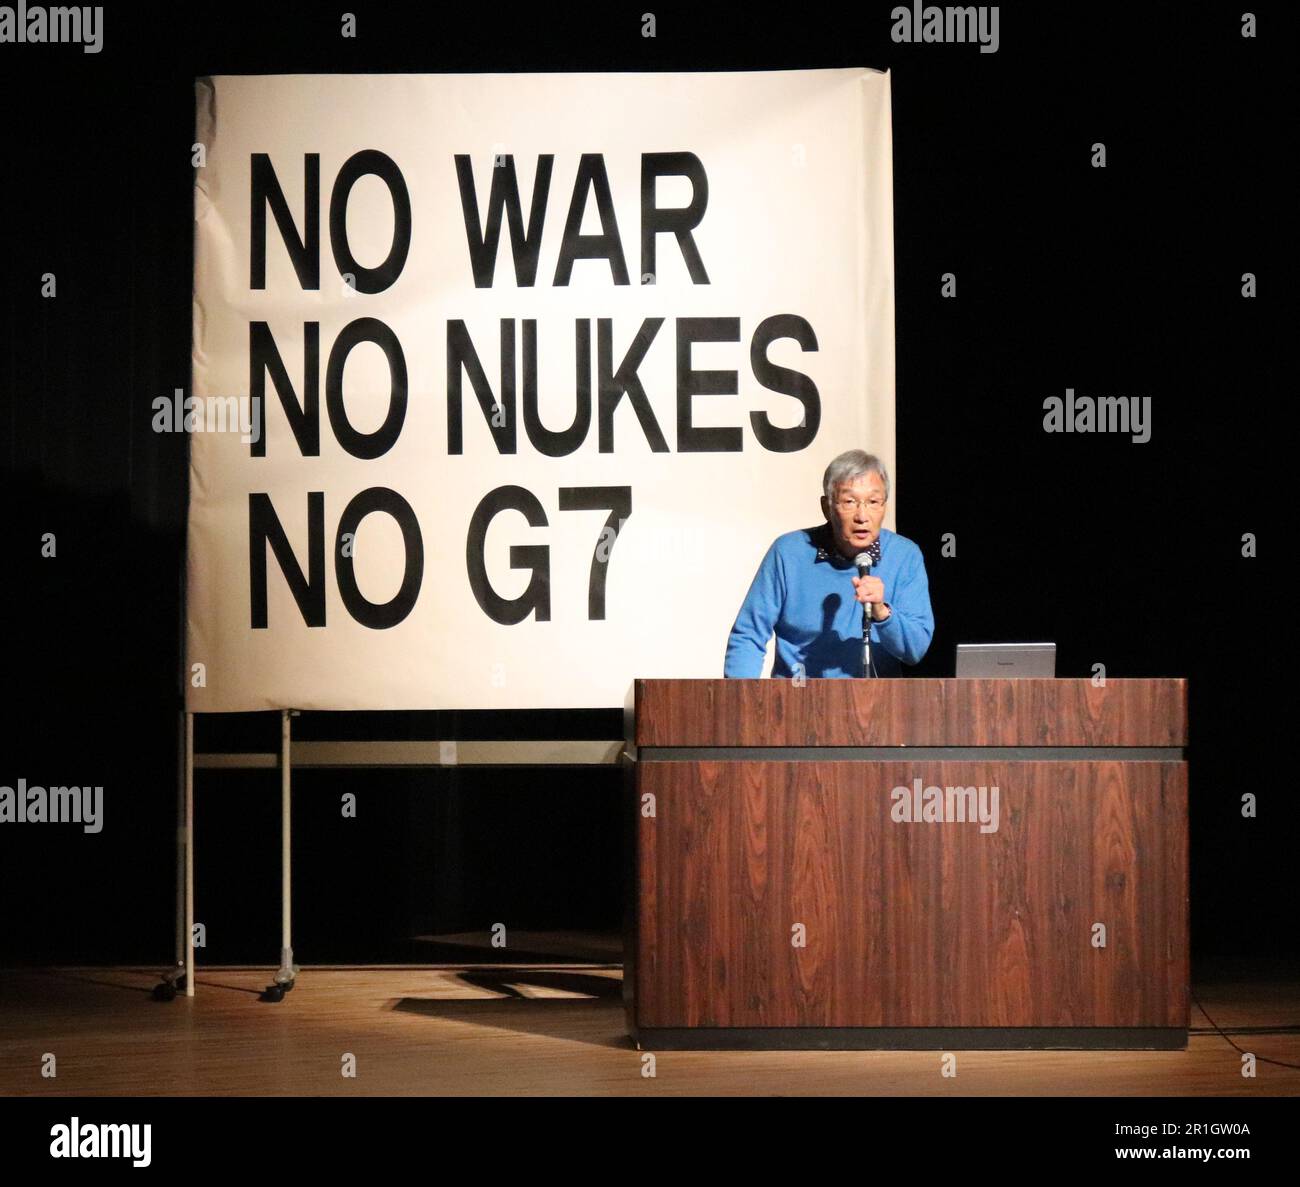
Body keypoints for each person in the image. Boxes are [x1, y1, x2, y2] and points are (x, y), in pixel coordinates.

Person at [723, 449, 934, 678]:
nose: (862, 516)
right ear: (827, 507)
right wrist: (743, 705)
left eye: (873, 502)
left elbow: (915, 650)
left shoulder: (905, 556)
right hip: (797, 701)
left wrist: (882, 612)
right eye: (849, 502)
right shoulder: (788, 553)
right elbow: (748, 636)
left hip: (877, 706)